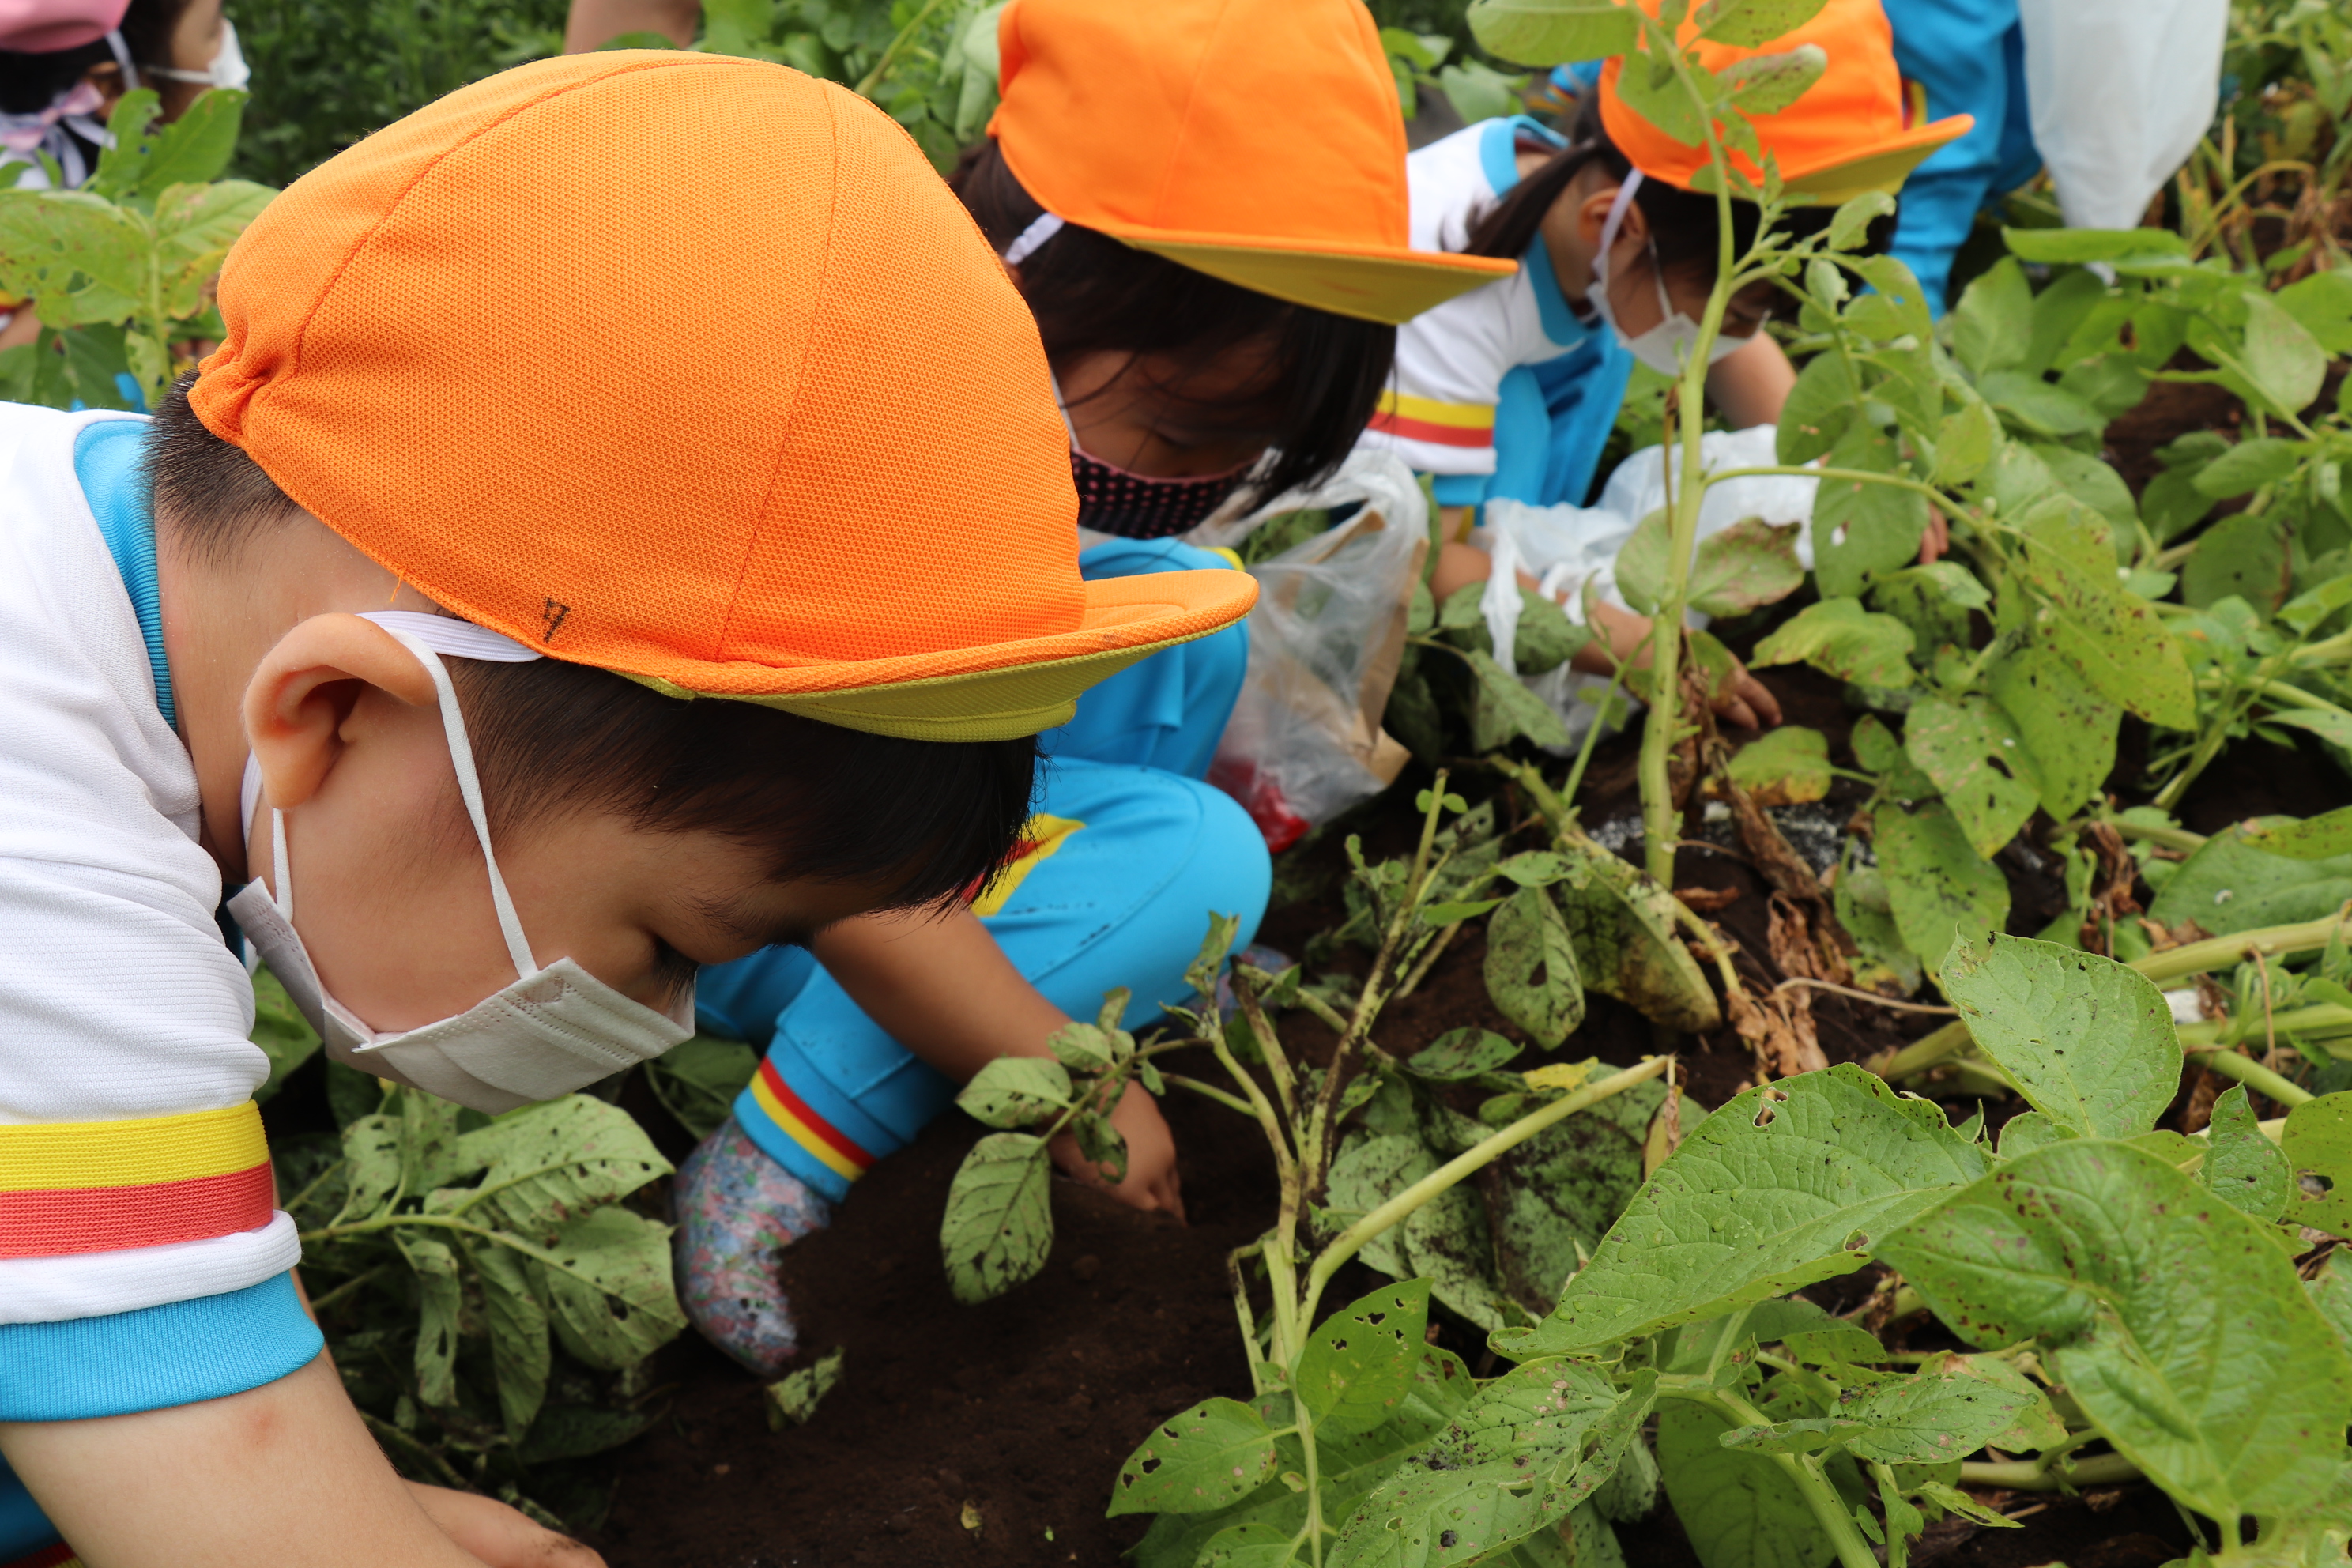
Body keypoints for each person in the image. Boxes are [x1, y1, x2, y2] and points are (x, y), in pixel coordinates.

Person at [0, 47, 1253, 1568]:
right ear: (342, 713)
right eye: (671, 936)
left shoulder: (109, 566)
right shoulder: (39, 848)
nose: (665, 1014)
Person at [670, 0, 1517, 1375]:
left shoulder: (970, 415)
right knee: (1201, 856)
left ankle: (1094, 948)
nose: (1200, 479)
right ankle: (772, 1152)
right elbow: (828, 870)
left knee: (1181, 622)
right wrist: (1073, 1090)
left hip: (879, 842)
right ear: (1031, 285)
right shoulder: (841, 463)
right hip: (728, 895)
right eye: (1185, 429)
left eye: (1245, 453)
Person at [1368, 0, 1970, 729]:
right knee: (1520, 421)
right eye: (1742, 311)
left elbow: (1738, 347)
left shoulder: (1596, 215)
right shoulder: (1448, 284)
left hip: (1476, 449)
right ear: (1618, 226)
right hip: (1359, 529)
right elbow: (1422, 559)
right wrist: (1633, 646)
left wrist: (1854, 483)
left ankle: (1528, 552)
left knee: (1593, 368)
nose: (1737, 337)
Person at [0, 0, 247, 349]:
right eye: (211, 31)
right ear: (111, 86)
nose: (227, 42)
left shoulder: (112, 163)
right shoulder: (17, 186)